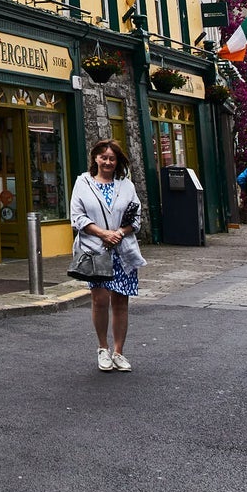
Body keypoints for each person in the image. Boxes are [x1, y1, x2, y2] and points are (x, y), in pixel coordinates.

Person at [69, 139, 146, 373]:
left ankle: (119, 351)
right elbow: (77, 217)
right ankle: (103, 348)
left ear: (118, 161)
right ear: (95, 158)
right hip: (96, 249)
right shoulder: (83, 183)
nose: (108, 162)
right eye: (103, 157)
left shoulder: (126, 186)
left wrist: (119, 233)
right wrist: (103, 234)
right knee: (100, 300)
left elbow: (136, 218)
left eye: (112, 158)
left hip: (123, 251)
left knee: (121, 302)